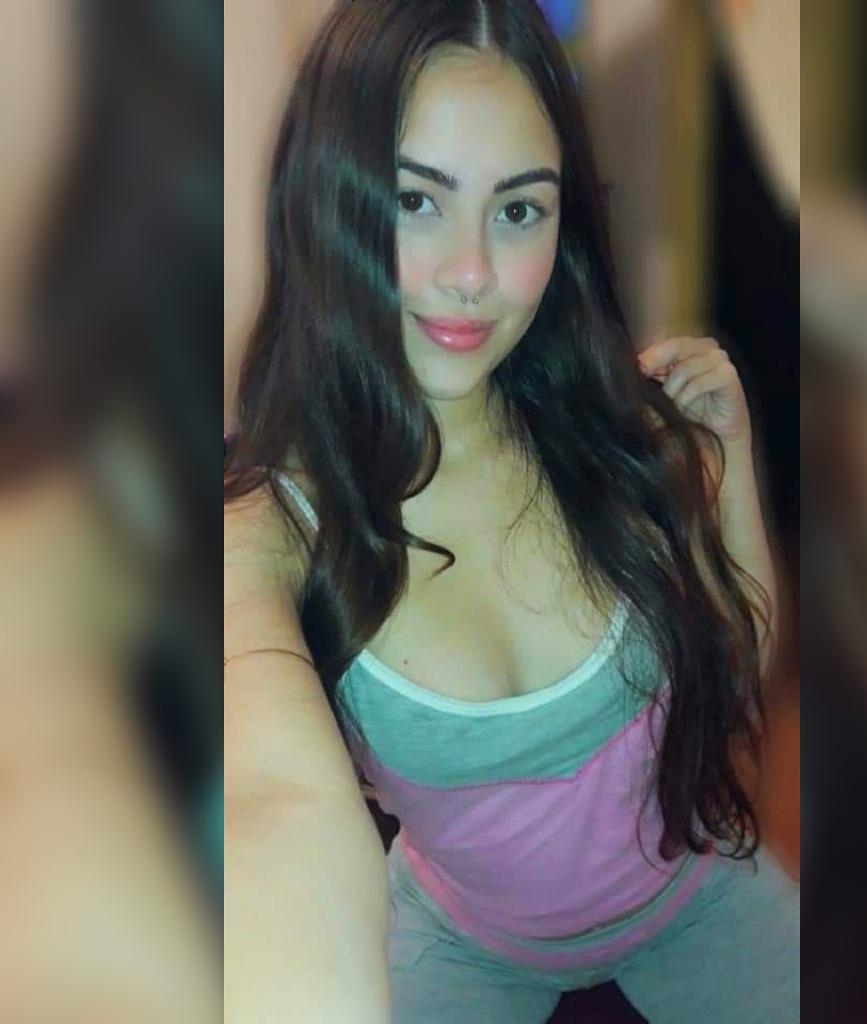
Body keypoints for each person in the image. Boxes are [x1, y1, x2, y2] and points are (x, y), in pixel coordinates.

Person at [224, 2, 798, 1021]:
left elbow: (736, 665)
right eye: (417, 199)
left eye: (519, 209)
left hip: (697, 897)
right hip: (463, 945)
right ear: (329, 200)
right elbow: (272, 800)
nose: (473, 274)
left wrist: (735, 461)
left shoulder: (611, 421)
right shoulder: (277, 522)